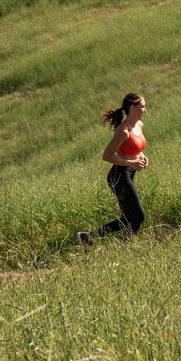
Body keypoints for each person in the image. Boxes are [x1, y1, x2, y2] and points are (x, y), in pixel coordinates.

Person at [77, 93, 149, 246]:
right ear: (132, 108)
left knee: (127, 218)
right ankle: (126, 247)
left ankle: (86, 237)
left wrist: (142, 157)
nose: (145, 110)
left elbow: (134, 149)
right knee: (138, 216)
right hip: (119, 176)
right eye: (142, 106)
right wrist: (133, 162)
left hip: (129, 173)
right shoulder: (123, 131)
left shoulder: (139, 125)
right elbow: (107, 156)